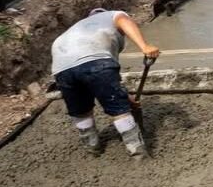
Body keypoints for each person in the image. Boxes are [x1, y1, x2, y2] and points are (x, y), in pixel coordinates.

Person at [50, 9, 161, 158]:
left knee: (81, 111)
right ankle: (138, 153)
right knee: (119, 110)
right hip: (94, 60)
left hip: (61, 67)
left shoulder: (78, 28)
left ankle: (92, 149)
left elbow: (105, 83)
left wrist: (126, 98)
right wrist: (144, 46)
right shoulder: (112, 16)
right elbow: (123, 20)